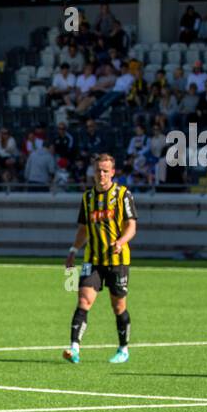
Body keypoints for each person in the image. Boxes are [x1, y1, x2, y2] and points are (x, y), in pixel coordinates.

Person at [63, 153, 137, 364]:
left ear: (113, 173)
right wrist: (73, 250)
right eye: (98, 171)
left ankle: (123, 349)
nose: (101, 174)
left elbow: (131, 226)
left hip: (118, 260)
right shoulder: (87, 198)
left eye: (106, 171)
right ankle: (74, 348)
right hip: (92, 259)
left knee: (118, 307)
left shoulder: (123, 195)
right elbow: (84, 229)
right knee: (84, 301)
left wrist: (121, 242)